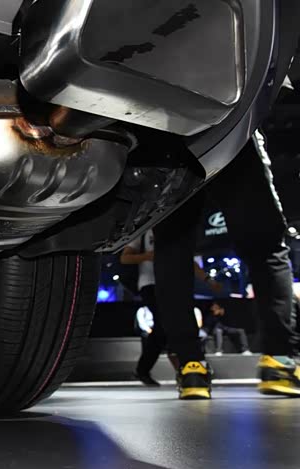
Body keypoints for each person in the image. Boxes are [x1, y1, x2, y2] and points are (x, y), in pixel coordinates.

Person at [153, 130, 299, 399]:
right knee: (266, 246)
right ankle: (280, 362)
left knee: (172, 248)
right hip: (229, 130)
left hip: (165, 134)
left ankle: (191, 367)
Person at [121, 229, 161, 386]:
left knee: (166, 327)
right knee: (162, 325)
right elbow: (125, 258)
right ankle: (142, 370)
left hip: (171, 283)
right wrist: (147, 256)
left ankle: (143, 370)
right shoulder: (145, 231)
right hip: (149, 284)